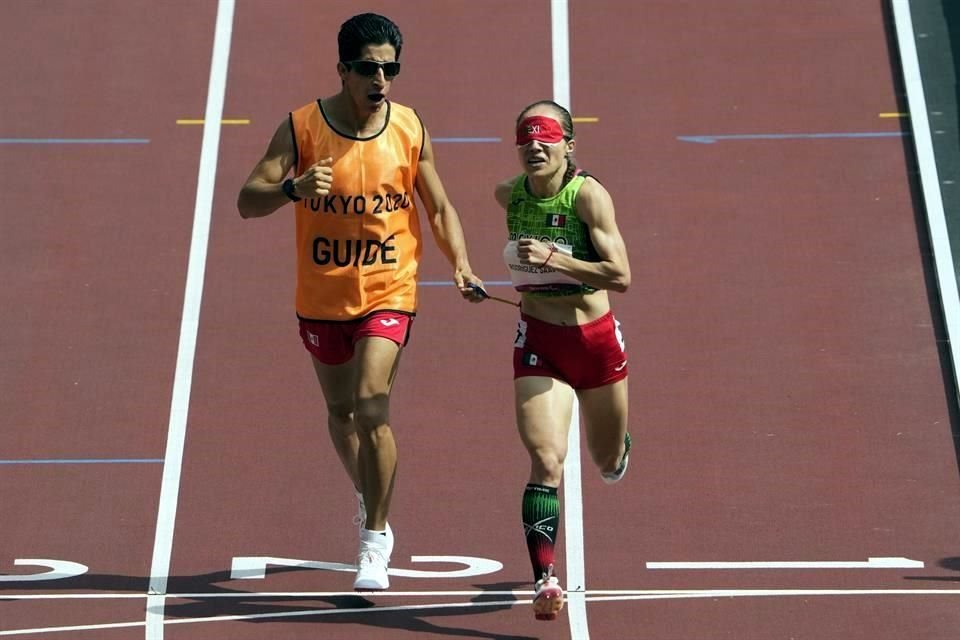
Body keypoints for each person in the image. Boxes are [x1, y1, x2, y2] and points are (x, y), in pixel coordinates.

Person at [236, 12, 484, 592]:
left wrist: (462, 265)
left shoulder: (408, 127)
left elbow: (440, 208)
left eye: (391, 68)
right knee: (342, 415)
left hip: (389, 289)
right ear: (344, 69)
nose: (382, 80)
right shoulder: (301, 129)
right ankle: (371, 489)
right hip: (322, 297)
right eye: (370, 68)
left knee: (373, 405)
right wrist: (291, 189)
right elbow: (247, 201)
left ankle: (374, 538)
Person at [493, 100, 632, 621]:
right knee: (546, 460)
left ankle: (619, 447)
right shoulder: (508, 196)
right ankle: (544, 580)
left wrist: (557, 260)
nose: (535, 145)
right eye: (526, 136)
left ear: (569, 144)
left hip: (595, 343)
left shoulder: (589, 196)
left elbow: (620, 276)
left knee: (604, 460)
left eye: (547, 136)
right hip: (539, 342)